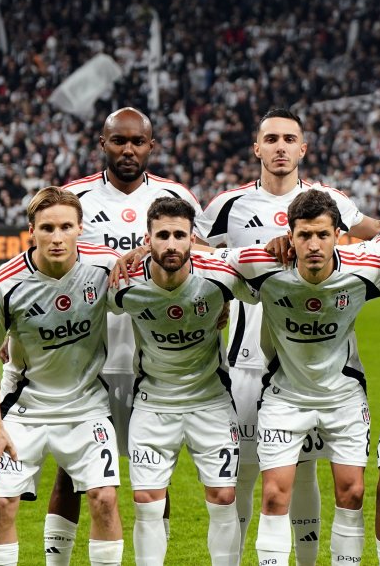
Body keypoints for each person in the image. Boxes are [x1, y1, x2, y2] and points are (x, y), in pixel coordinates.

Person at [195, 108, 380, 563]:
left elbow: (378, 233)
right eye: (271, 139)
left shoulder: (327, 200)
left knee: (303, 473)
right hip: (245, 357)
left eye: (289, 139)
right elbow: (191, 247)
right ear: (256, 148)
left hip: (316, 358)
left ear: (303, 148)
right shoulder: (229, 205)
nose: (280, 147)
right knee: (243, 474)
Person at [30, 107, 198, 564]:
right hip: (88, 358)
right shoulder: (75, 197)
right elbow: (42, 264)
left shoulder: (173, 195)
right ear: (102, 143)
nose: (128, 149)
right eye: (118, 141)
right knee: (70, 476)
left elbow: (197, 254)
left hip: (156, 357)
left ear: (151, 146)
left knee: (154, 480)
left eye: (137, 142)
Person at [219, 189, 380, 565]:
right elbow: (203, 259)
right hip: (285, 396)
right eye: (304, 235)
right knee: (274, 496)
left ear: (338, 235)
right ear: (290, 236)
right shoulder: (265, 266)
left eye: (323, 235)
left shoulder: (364, 268)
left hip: (344, 397)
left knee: (352, 493)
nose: (314, 245)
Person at [0, 187, 123, 566]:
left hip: (87, 406)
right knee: (1, 506)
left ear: (80, 229)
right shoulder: (5, 282)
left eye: (66, 227)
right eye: (47, 228)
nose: (57, 238)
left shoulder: (105, 266)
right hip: (25, 410)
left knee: (104, 499)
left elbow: (162, 266)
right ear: (31, 230)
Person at [108, 197, 242, 566]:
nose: (171, 244)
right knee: (147, 504)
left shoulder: (220, 275)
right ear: (146, 239)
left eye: (179, 235)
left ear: (192, 238)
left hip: (211, 401)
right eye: (162, 235)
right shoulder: (124, 281)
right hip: (153, 404)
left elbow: (264, 275)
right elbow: (80, 301)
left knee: (223, 498)